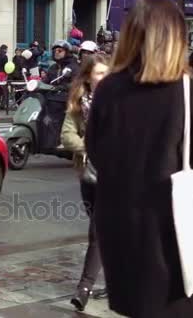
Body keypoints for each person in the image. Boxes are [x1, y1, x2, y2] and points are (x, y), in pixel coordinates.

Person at [86, 0, 193, 317]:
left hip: (120, 227)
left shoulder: (109, 88)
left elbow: (95, 152)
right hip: (174, 230)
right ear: (176, 39)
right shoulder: (191, 87)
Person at [61, 55, 110, 311]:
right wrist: (89, 147)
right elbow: (66, 135)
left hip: (113, 177)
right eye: (98, 73)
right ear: (89, 77)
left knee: (97, 231)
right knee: (103, 229)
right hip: (87, 174)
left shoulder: (118, 103)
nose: (102, 78)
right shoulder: (79, 104)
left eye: (106, 73)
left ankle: (84, 288)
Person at [40, 40, 79, 151]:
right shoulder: (53, 67)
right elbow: (46, 81)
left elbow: (76, 83)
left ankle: (58, 140)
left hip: (67, 98)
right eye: (55, 51)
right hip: (52, 96)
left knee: (56, 108)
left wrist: (64, 87)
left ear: (67, 52)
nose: (56, 52)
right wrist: (38, 85)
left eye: (60, 50)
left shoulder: (73, 67)